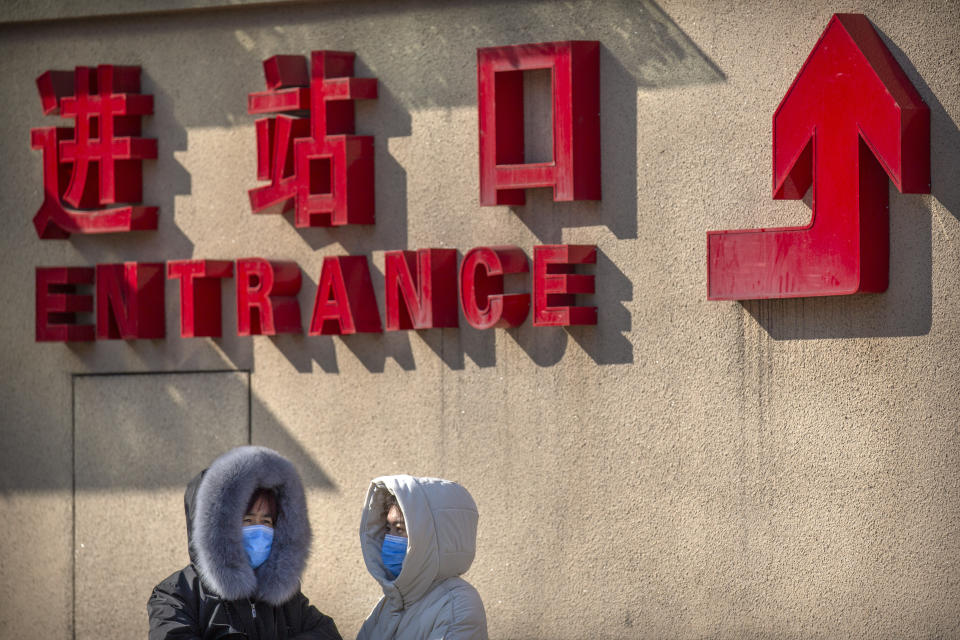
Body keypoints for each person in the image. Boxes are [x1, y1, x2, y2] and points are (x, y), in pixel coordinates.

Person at [148, 445, 342, 640]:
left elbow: (328, 633)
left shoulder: (284, 598)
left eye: (267, 521)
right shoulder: (176, 595)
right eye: (247, 520)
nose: (260, 532)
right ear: (217, 528)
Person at [357, 475, 487, 640]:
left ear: (430, 537)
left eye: (399, 529)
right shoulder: (391, 602)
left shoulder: (457, 605)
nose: (389, 538)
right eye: (388, 528)